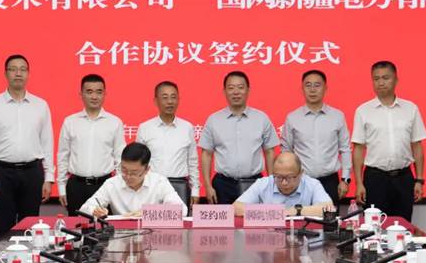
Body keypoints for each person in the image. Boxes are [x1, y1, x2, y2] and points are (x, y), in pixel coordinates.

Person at [0, 54, 54, 239]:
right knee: (5, 229)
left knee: (30, 228)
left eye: (23, 69)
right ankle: (4, 259)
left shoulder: (40, 105)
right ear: (6, 74)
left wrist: (49, 177)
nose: (18, 73)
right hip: (2, 174)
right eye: (13, 69)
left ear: (28, 74)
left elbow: (47, 142)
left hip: (32, 173)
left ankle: (29, 259)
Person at [352, 61, 426, 221]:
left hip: (403, 178)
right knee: (373, 227)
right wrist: (359, 183)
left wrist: (419, 180)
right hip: (375, 179)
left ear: (396, 80)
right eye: (376, 78)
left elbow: (417, 145)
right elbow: (358, 149)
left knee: (403, 226)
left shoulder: (410, 109)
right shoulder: (363, 111)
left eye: (386, 78)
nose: (381, 82)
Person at [199, 71, 280, 205]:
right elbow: (206, 154)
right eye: (231, 88)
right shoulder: (214, 120)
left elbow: (269, 152)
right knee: (224, 219)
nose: (236, 92)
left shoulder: (261, 118)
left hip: (254, 183)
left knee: (255, 219)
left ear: (248, 90)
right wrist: (207, 186)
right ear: (224, 91)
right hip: (223, 184)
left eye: (240, 87)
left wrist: (271, 183)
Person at [281, 70, 351, 208]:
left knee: (330, 220)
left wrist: (345, 180)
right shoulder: (292, 118)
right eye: (308, 85)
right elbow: (286, 150)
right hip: (302, 182)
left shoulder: (337, 116)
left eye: (317, 85)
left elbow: (345, 149)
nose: (312, 89)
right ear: (302, 89)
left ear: (325, 88)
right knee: (300, 219)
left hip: (330, 182)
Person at [57, 74, 125, 216]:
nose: (94, 96)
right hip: (76, 186)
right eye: (89, 92)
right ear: (81, 94)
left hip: (104, 185)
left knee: (104, 227)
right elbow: (63, 156)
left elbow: (119, 158)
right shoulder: (70, 122)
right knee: (76, 227)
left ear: (104, 94)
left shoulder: (115, 122)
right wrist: (61, 187)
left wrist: (118, 188)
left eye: (99, 92)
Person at [79, 142, 188, 217]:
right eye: (124, 170)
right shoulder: (111, 184)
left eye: (134, 173)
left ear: (147, 170)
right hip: (120, 236)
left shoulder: (159, 182)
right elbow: (84, 208)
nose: (128, 176)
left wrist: (149, 213)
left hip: (153, 236)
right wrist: (94, 211)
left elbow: (182, 210)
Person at [136, 81, 199, 207]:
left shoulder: (187, 127)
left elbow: (192, 161)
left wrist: (195, 189)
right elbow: (138, 163)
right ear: (156, 101)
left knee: (181, 219)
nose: (170, 102)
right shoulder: (145, 128)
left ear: (178, 100)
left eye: (173, 97)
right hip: (153, 187)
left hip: (179, 186)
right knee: (150, 220)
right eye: (165, 97)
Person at [233, 152, 333, 217]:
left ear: (301, 173)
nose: (284, 183)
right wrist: (275, 213)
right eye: (279, 177)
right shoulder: (263, 183)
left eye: (289, 177)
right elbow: (236, 208)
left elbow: (328, 208)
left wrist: (296, 211)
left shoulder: (312, 184)